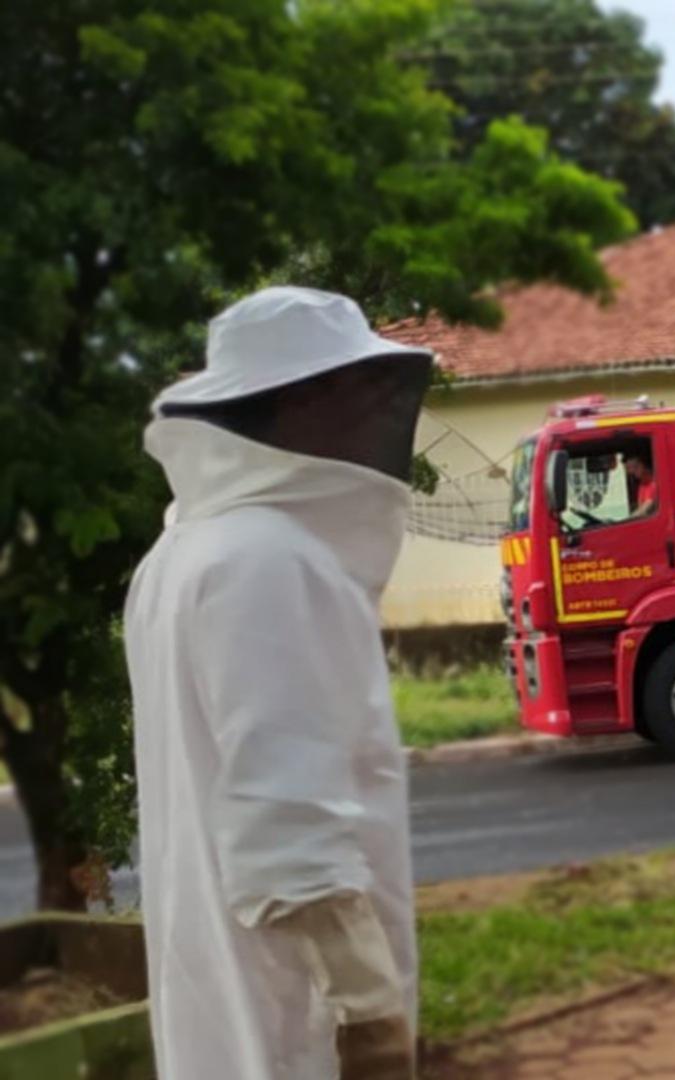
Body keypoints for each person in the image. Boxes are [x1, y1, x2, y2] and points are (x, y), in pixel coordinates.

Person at [123, 287, 432, 1080]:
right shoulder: (267, 557)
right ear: (298, 399)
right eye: (355, 385)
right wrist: (369, 1017)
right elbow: (286, 822)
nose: (377, 409)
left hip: (224, 1000)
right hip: (294, 1015)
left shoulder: (183, 553)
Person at [623, 450, 658, 516]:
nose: (632, 472)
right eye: (629, 469)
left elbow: (645, 509)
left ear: (642, 465)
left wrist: (628, 520)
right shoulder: (642, 484)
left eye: (635, 467)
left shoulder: (655, 483)